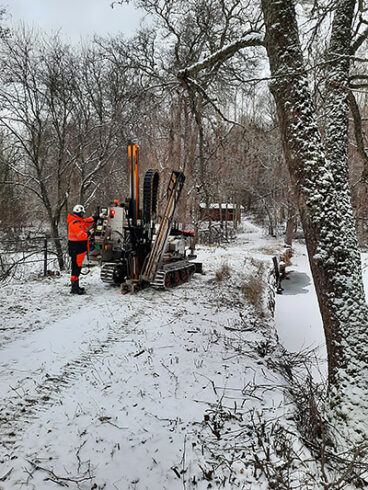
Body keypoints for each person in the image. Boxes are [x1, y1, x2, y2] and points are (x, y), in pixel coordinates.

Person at [67, 204, 95, 295]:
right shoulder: (75, 223)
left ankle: (75, 287)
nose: (83, 215)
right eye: (82, 213)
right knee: (76, 268)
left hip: (77, 249)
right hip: (77, 249)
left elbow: (86, 222)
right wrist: (89, 233)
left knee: (76, 268)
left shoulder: (77, 221)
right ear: (79, 213)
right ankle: (75, 288)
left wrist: (96, 217)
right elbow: (82, 236)